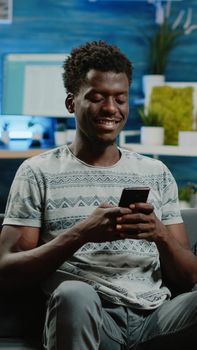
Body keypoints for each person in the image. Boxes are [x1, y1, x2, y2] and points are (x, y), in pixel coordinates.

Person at [0, 40, 197, 350]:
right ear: (70, 102)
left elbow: (188, 277)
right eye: (96, 97)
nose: (110, 108)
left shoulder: (156, 172)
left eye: (120, 99)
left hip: (156, 318)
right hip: (90, 317)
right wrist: (81, 234)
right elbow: (6, 270)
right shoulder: (37, 172)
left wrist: (160, 235)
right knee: (74, 293)